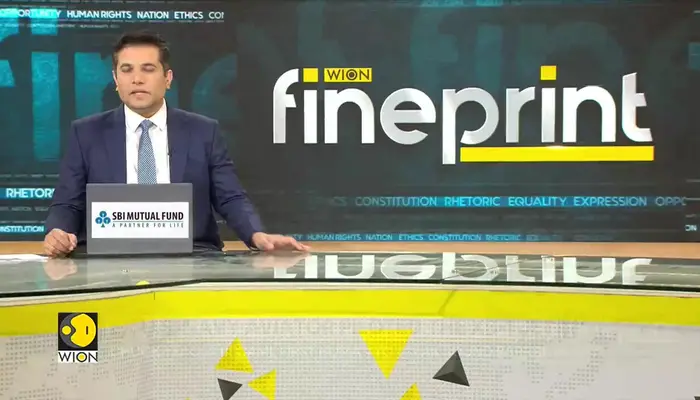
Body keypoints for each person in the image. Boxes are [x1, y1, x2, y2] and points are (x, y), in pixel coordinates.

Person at [43, 31, 309, 257]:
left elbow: (230, 196)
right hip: (107, 258)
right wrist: (58, 232)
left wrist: (256, 234)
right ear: (115, 79)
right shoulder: (86, 133)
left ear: (168, 78)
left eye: (148, 69)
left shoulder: (203, 131)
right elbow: (68, 202)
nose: (137, 79)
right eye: (127, 70)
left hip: (190, 254)